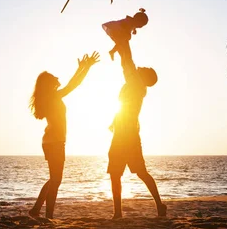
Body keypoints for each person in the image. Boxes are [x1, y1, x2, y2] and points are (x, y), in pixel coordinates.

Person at [28, 51, 100, 218]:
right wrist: (85, 67)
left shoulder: (51, 96)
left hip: (53, 141)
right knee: (56, 180)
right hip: (54, 142)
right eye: (54, 77)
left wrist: (82, 67)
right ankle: (48, 215)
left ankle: (36, 210)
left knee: (54, 179)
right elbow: (73, 85)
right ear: (48, 83)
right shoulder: (53, 96)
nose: (57, 78)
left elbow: (71, 83)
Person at [108, 39, 166, 218]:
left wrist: (124, 41)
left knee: (139, 172)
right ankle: (118, 213)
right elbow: (127, 65)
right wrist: (120, 46)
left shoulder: (137, 85)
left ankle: (159, 204)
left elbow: (129, 63)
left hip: (129, 135)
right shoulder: (134, 84)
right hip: (121, 133)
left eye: (145, 70)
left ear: (145, 78)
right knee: (116, 173)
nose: (141, 68)